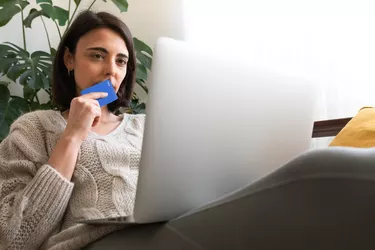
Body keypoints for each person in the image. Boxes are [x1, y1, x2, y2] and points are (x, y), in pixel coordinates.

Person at [2, 9, 375, 250]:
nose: (110, 71)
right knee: (322, 172)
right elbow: (14, 239)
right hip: (101, 240)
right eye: (96, 55)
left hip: (179, 226)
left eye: (121, 60)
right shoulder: (36, 127)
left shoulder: (148, 127)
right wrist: (73, 134)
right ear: (70, 59)